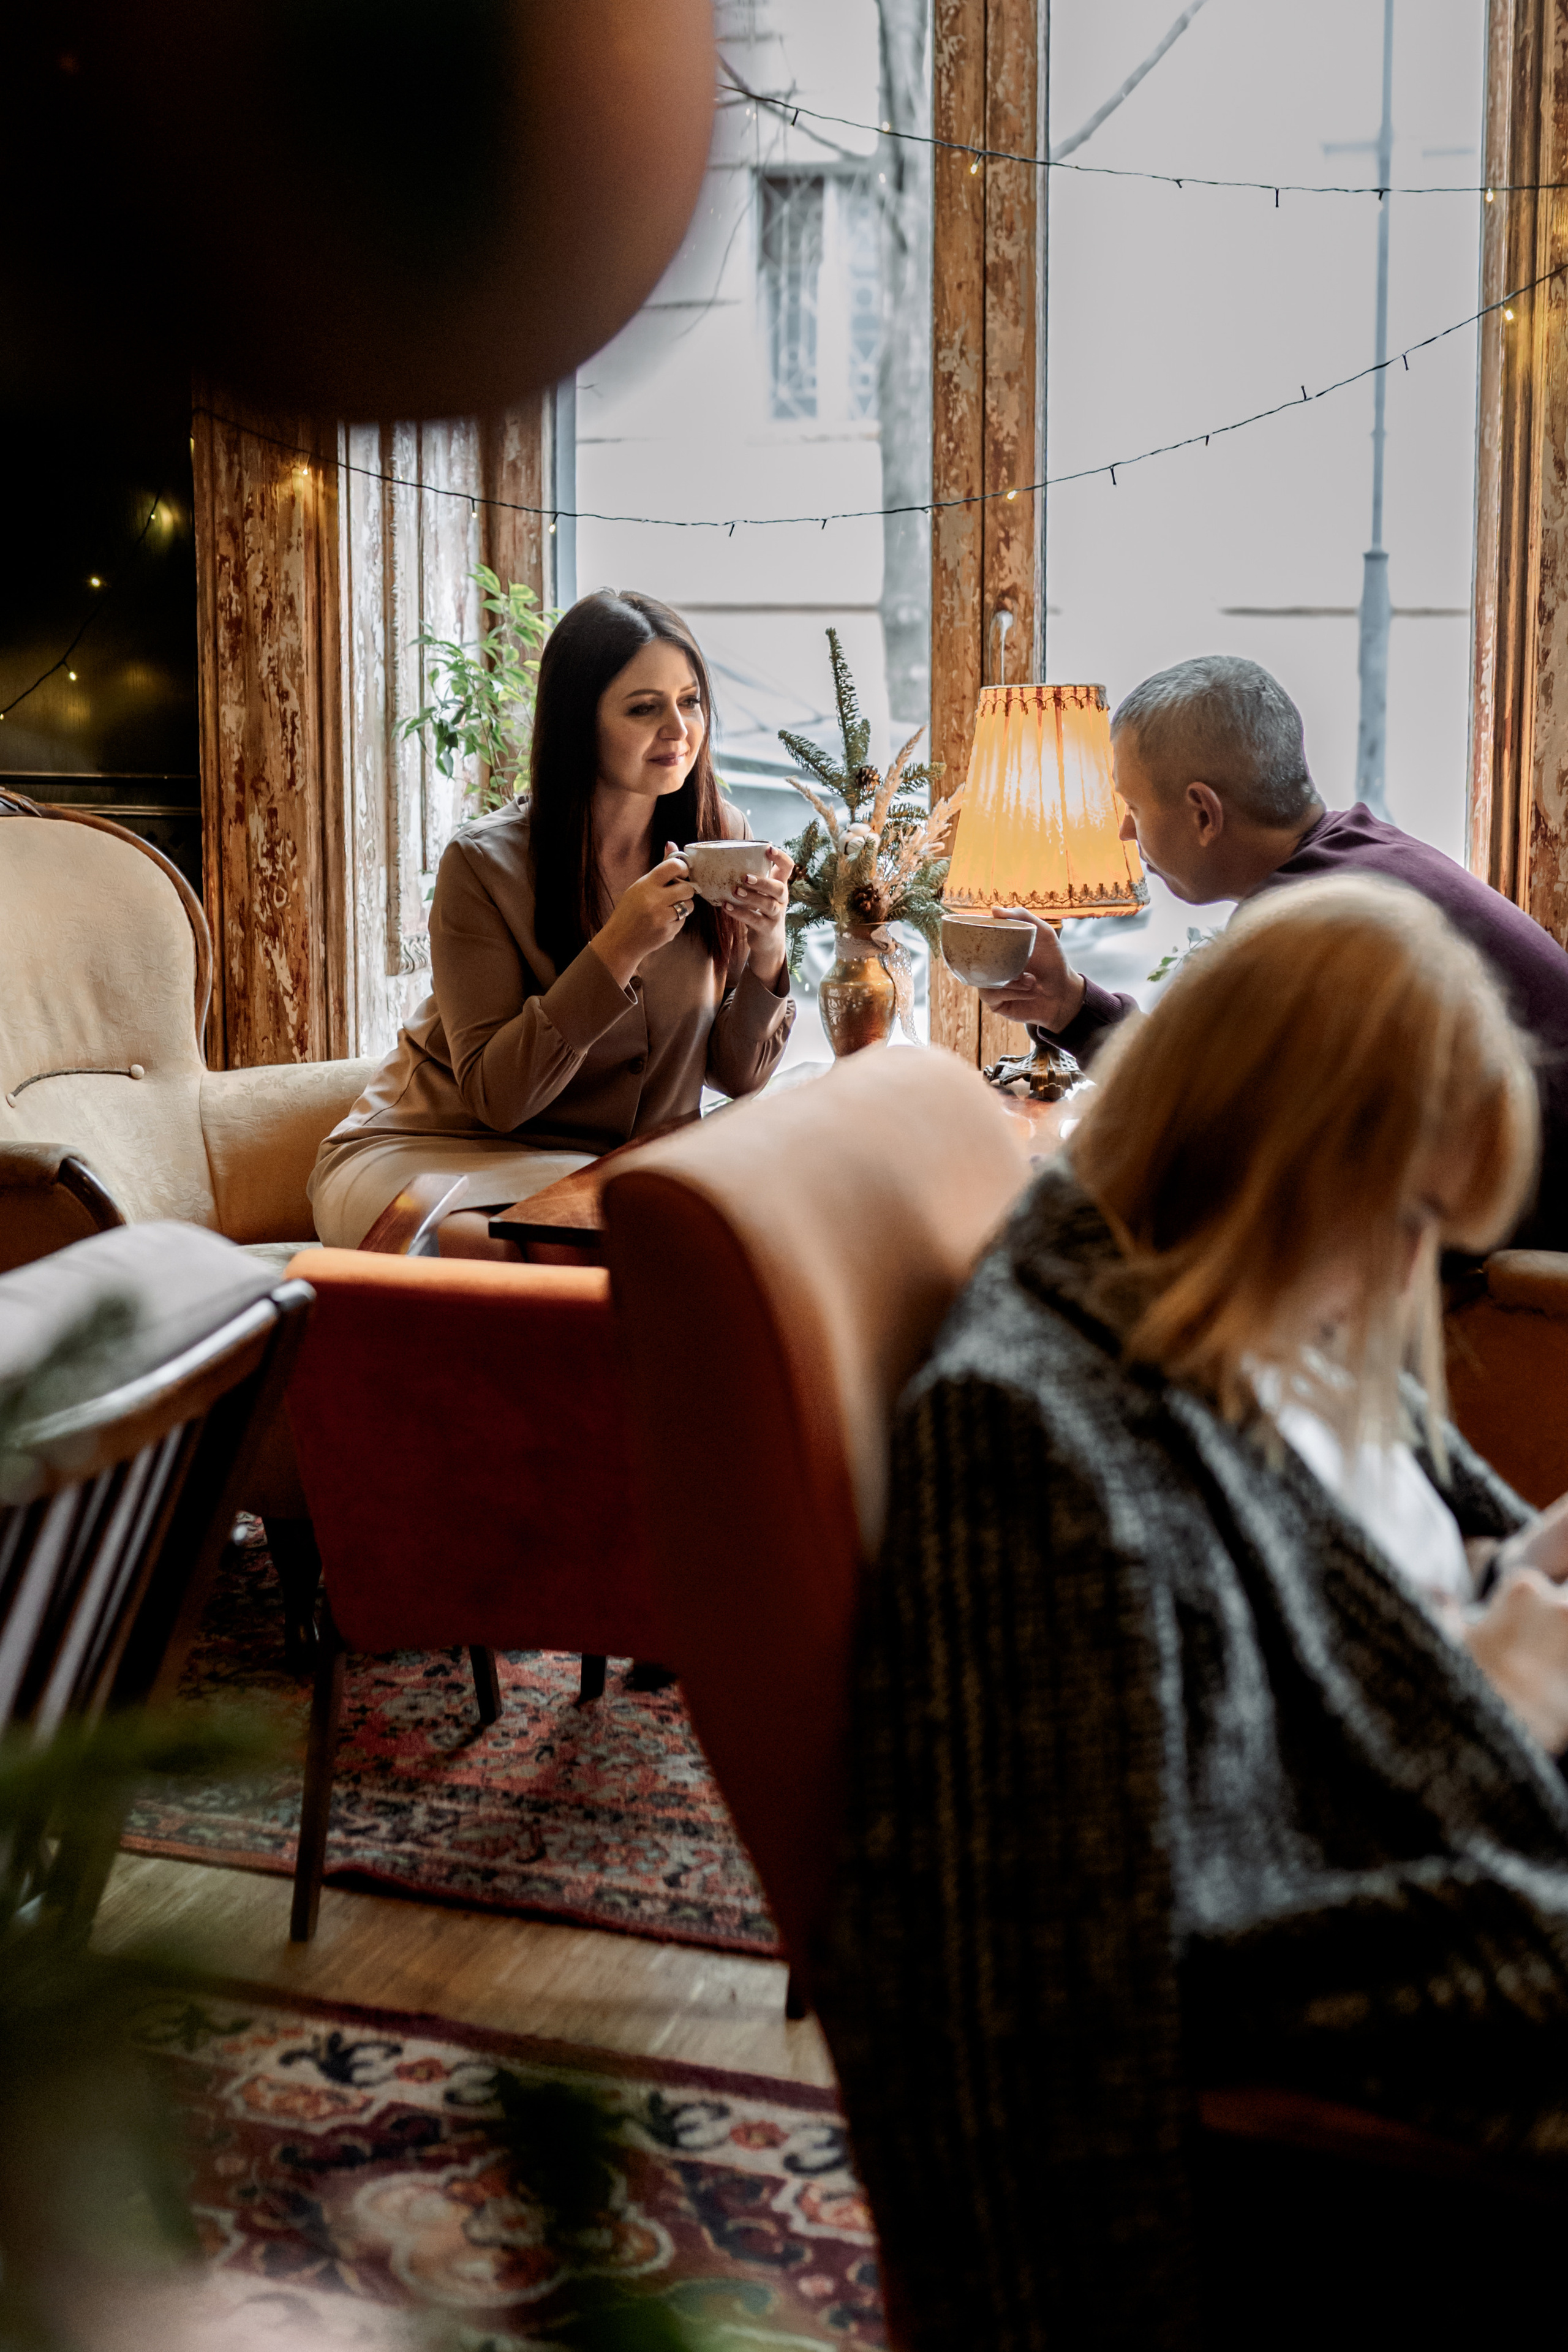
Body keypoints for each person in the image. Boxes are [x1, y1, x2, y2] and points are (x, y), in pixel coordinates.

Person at [818, 877, 1568, 2350]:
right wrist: (1492, 1699)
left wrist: (1504, 1580)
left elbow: (1377, 1574)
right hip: (1396, 1978)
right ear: (1281, 1159)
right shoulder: (1031, 1434)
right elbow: (1058, 2010)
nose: (1420, 1271)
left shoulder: (1270, 1294)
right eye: (1411, 1216)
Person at [977, 654, 1568, 1248]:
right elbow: (1194, 1086)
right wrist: (1068, 1005)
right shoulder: (1362, 853)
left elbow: (1182, 1123)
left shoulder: (1311, 923)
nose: (1125, 834)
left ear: (1203, 813)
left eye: (1131, 808)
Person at [309, 590, 794, 1252]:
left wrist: (767, 949)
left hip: (608, 1169)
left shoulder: (719, 842)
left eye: (690, 701)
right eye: (644, 708)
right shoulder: (483, 865)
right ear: (578, 722)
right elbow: (496, 1099)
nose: (678, 730)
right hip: (440, 1153)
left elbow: (736, 1077)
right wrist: (617, 948)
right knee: (545, 1257)